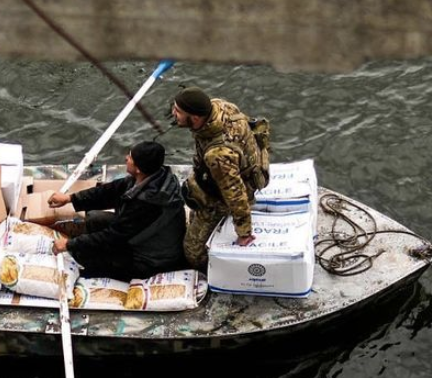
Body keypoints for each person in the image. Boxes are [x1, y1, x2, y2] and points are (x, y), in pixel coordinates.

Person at [47, 140, 186, 281]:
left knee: (88, 259)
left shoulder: (148, 203)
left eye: (130, 157)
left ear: (138, 168)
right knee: (94, 218)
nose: (126, 158)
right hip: (137, 236)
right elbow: (109, 191)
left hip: (151, 259)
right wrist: (70, 198)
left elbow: (113, 236)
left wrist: (69, 244)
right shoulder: (152, 176)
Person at [171, 87, 268, 268]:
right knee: (194, 215)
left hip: (228, 190)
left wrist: (244, 232)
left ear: (195, 118)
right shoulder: (220, 106)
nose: (173, 113)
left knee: (191, 251)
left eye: (178, 111)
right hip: (242, 166)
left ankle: (214, 273)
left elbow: (235, 194)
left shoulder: (218, 155)